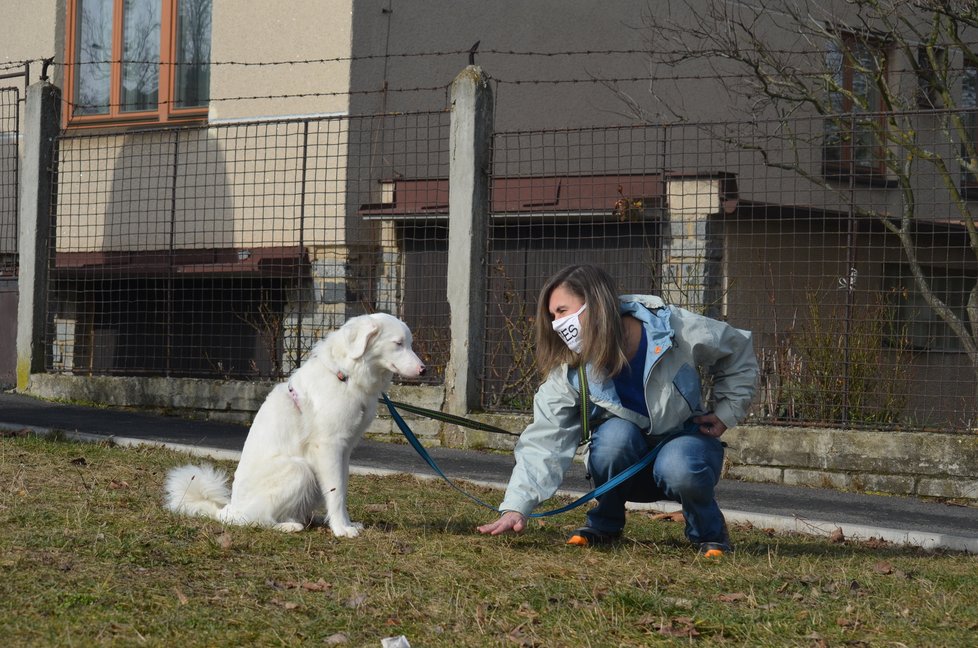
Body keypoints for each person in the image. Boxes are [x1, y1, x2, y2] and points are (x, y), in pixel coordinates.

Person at [476, 264, 758, 557]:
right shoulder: (571, 369)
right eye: (552, 316)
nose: (557, 323)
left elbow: (737, 350)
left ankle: (709, 533)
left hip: (684, 445)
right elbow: (545, 438)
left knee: (679, 465)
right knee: (613, 438)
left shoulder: (673, 328)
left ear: (596, 303)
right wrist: (516, 507)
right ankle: (604, 525)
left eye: (562, 311)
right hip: (625, 463)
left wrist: (727, 411)